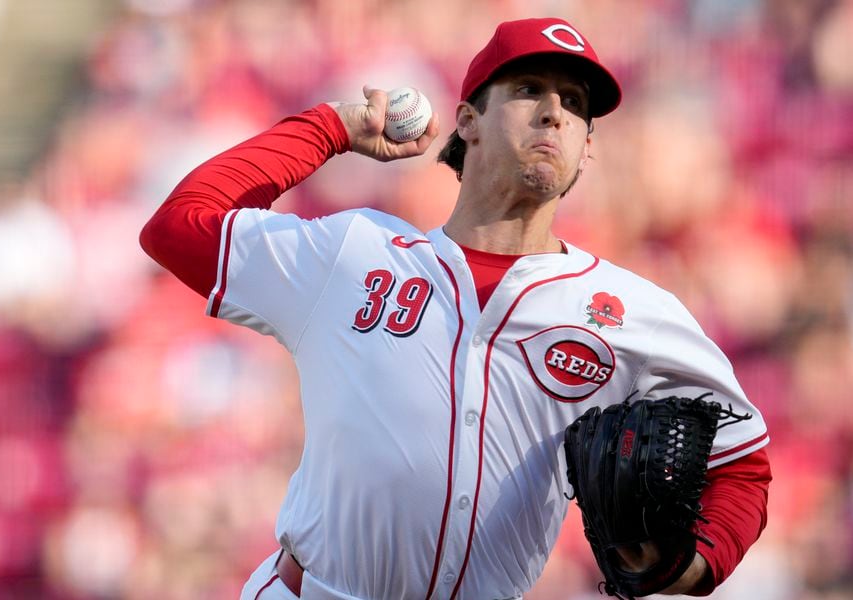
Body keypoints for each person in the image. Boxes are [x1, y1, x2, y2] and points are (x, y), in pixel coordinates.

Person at [140, 16, 771, 600]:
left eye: (575, 105)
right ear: (467, 119)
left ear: (587, 149)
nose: (555, 113)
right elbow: (178, 228)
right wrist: (331, 127)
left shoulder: (633, 313)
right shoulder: (355, 254)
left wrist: (695, 565)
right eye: (530, 89)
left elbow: (743, 463)